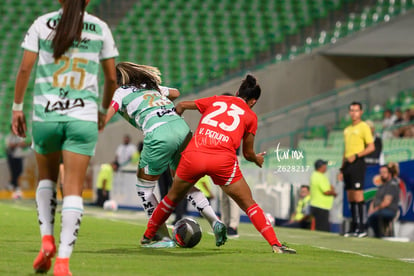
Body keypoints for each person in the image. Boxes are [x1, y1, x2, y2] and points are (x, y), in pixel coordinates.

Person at [12, 0, 118, 275]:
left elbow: (24, 69)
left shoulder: (42, 23)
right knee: (72, 188)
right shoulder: (100, 28)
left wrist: (17, 108)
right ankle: (62, 261)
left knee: (46, 179)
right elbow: (111, 79)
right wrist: (103, 110)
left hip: (46, 115)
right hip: (82, 117)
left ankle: (46, 239)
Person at [141, 74, 296, 254]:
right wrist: (256, 159)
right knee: (249, 204)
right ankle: (275, 245)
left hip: (196, 153)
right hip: (222, 159)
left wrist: (174, 126)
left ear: (237, 92)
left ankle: (148, 236)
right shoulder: (251, 116)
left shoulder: (218, 100)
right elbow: (247, 153)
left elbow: (182, 105)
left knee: (171, 199)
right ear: (253, 101)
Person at [105, 62, 222, 247]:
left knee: (144, 188)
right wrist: (157, 89)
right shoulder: (149, 87)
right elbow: (176, 93)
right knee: (184, 182)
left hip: (159, 132)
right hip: (182, 128)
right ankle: (215, 221)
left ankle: (162, 237)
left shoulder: (119, 92)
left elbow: (108, 111)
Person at [340, 102, 375, 238]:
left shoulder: (364, 127)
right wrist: (342, 168)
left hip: (358, 163)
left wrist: (356, 155)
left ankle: (362, 228)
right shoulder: (347, 129)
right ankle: (354, 227)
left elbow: (371, 147)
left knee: (358, 195)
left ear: (361, 112)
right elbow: (345, 150)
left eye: (356, 110)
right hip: (348, 165)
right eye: (351, 110)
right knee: (350, 197)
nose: (354, 113)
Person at [366, 165, 400, 238]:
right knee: (368, 213)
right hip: (379, 209)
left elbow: (386, 202)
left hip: (390, 210)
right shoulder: (382, 186)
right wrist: (371, 209)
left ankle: (380, 236)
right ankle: (369, 233)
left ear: (389, 174)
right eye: (381, 172)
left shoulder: (391, 185)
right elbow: (375, 200)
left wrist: (374, 210)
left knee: (375, 216)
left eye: (384, 172)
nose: (382, 174)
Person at [310, 160, 337, 232]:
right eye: (324, 165)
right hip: (320, 206)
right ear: (320, 167)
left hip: (319, 205)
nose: (326, 167)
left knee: (320, 227)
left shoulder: (315, 175)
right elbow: (326, 191)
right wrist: (334, 193)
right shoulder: (319, 176)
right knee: (322, 228)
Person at [5, 126, 30, 198]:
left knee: (20, 171)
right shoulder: (9, 137)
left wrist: (17, 145)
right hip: (12, 157)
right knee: (14, 172)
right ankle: (16, 188)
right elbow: (10, 145)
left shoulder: (19, 136)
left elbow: (24, 144)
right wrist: (18, 144)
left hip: (19, 156)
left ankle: (11, 184)